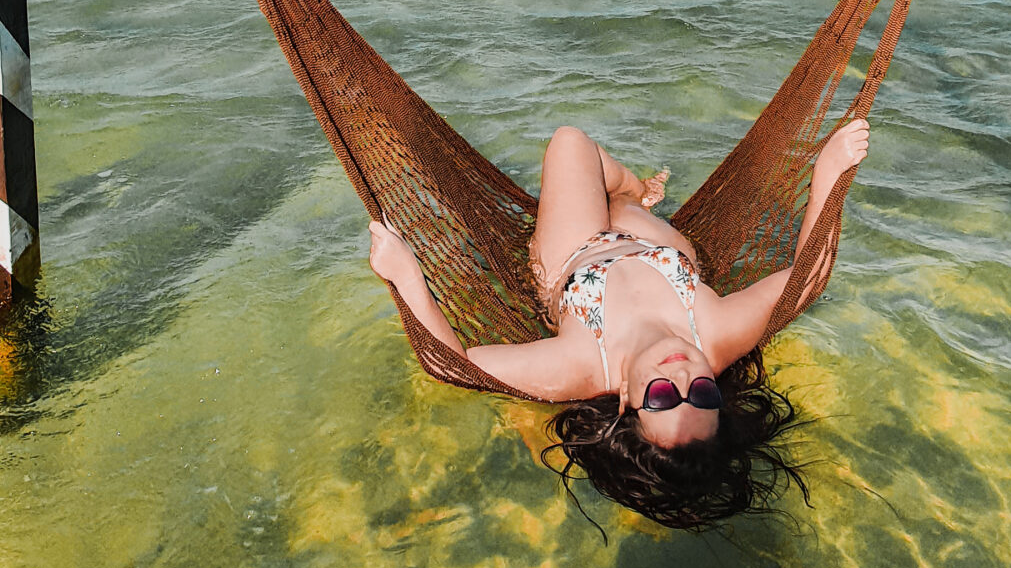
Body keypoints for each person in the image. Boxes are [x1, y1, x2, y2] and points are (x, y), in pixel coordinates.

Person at [367, 117, 869, 530]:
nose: (681, 378)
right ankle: (629, 192)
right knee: (623, 206)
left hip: (573, 256)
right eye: (702, 393)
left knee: (569, 144)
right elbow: (809, 280)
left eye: (664, 399)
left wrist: (408, 276)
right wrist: (827, 174)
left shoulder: (582, 368)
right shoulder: (715, 336)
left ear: (628, 401)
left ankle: (621, 187)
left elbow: (455, 368)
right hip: (658, 248)